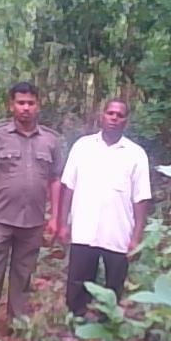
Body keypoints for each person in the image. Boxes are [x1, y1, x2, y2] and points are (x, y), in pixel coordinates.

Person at [0, 82, 62, 322]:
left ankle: (17, 324)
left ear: (38, 106)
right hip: (0, 219)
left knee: (23, 275)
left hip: (33, 221)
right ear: (11, 105)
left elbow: (55, 180)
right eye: (21, 103)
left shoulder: (50, 140)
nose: (25, 108)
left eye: (30, 103)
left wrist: (55, 217)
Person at [57, 99, 151, 316]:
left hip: (118, 233)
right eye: (110, 113)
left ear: (126, 121)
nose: (114, 118)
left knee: (113, 287)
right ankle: (77, 321)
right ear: (102, 116)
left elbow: (141, 198)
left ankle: (108, 325)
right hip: (84, 230)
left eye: (119, 115)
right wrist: (63, 223)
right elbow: (68, 186)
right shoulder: (83, 146)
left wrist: (136, 238)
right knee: (77, 285)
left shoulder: (136, 154)